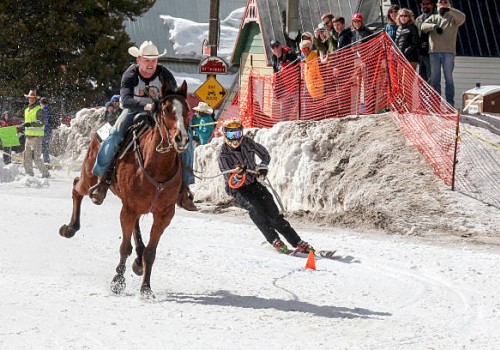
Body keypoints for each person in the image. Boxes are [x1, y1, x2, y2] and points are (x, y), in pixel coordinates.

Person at [89, 41, 198, 211]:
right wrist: (146, 106)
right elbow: (125, 100)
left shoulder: (164, 74)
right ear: (139, 60)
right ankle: (102, 179)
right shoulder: (130, 74)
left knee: (186, 141)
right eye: (147, 60)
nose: (150, 64)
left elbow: (173, 96)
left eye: (154, 60)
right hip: (132, 111)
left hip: (160, 114)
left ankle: (184, 189)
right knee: (115, 135)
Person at [217, 119, 315, 254]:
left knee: (273, 212)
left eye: (237, 133)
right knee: (255, 209)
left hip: (254, 183)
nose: (235, 138)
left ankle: (296, 241)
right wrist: (239, 174)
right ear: (225, 135)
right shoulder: (223, 155)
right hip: (239, 189)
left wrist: (262, 167)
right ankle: (273, 239)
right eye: (231, 135)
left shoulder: (248, 142)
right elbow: (231, 181)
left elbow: (265, 154)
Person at [421, 0, 465, 107]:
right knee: (435, 79)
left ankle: (450, 105)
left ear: (449, 4)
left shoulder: (453, 17)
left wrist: (449, 10)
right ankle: (436, 104)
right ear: (437, 5)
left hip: (448, 53)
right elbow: (423, 26)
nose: (443, 4)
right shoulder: (434, 17)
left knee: (448, 78)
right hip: (434, 52)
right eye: (441, 2)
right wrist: (434, 27)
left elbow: (462, 17)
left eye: (446, 2)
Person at [22, 90, 50, 178]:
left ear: (35, 99)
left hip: (36, 137)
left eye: (33, 98)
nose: (31, 99)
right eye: (30, 98)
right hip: (28, 137)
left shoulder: (39, 110)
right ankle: (29, 175)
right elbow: (28, 122)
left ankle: (45, 174)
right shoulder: (26, 110)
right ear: (28, 98)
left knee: (36, 158)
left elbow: (41, 122)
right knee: (27, 157)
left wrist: (30, 124)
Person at [415, 0, 435, 82]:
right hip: (421, 52)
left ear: (432, 5)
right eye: (423, 4)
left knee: (432, 77)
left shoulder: (435, 17)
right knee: (421, 77)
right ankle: (422, 95)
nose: (425, 6)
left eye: (427, 4)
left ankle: (432, 94)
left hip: (431, 52)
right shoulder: (418, 19)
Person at [40, 97, 52, 164]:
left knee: (44, 147)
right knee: (45, 147)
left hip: (45, 131)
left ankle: (46, 162)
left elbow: (45, 121)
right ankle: (46, 161)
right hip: (47, 130)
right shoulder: (47, 109)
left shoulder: (44, 110)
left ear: (41, 103)